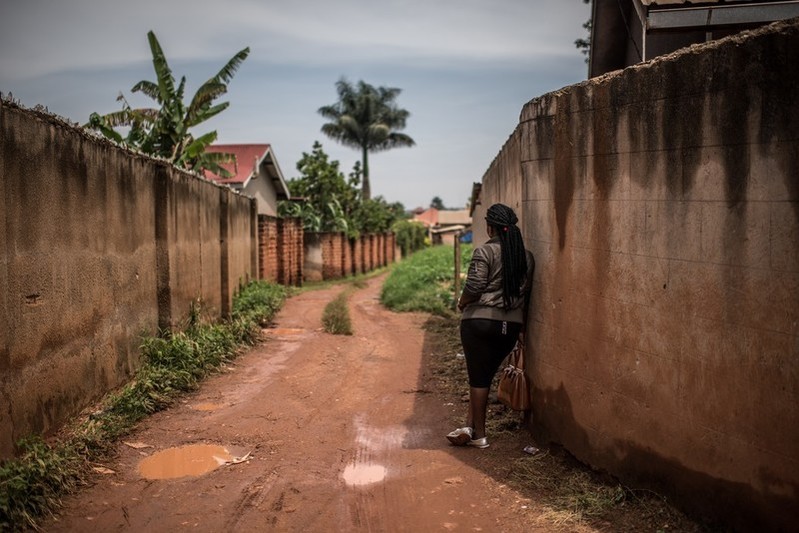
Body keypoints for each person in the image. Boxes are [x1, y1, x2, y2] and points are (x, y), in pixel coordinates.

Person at [447, 203, 534, 449]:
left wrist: (462, 303)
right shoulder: (526, 257)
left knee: (478, 378)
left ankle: (479, 435)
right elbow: (526, 297)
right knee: (483, 376)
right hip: (510, 326)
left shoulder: (484, 252)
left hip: (480, 322)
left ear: (490, 227)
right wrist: (521, 330)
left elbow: (473, 288)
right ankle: (469, 425)